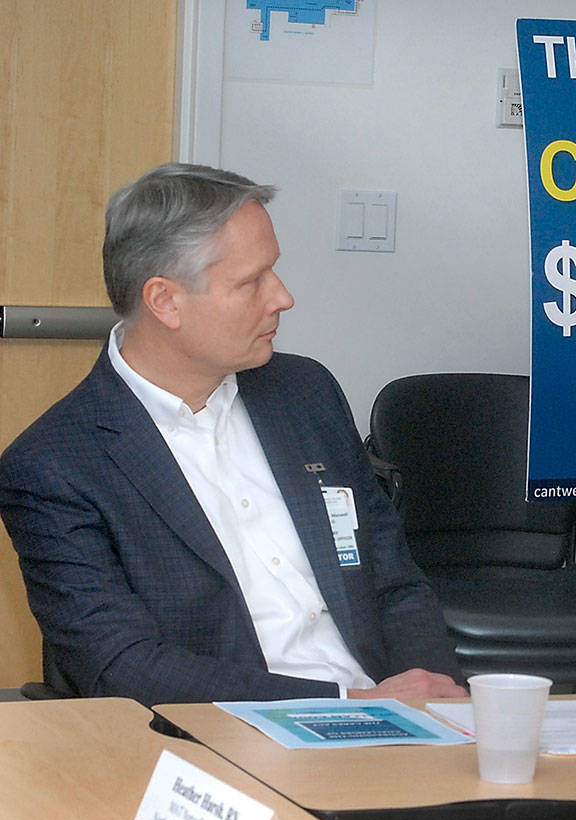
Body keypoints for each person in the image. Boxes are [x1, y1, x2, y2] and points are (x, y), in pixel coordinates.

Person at [0, 163, 466, 706]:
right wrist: (350, 705)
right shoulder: (55, 465)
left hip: (394, 718)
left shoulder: (305, 393)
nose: (283, 297)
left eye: (275, 271)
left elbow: (393, 582)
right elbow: (123, 666)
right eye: (251, 282)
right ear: (165, 301)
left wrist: (434, 700)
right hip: (222, 741)